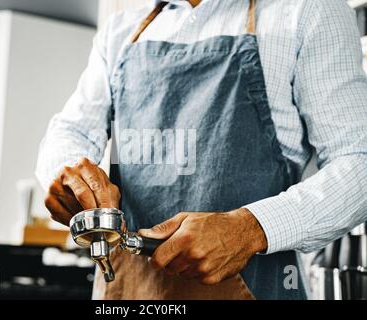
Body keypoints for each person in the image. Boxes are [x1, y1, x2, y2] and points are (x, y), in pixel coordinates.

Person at [36, 0, 367, 300]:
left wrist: (250, 228)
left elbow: (359, 163)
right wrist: (69, 175)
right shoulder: (121, 32)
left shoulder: (306, 11)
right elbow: (71, 130)